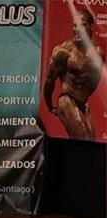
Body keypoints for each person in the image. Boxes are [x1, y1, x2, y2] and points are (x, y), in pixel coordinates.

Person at [43, 8, 104, 141]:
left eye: (82, 25)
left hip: (83, 103)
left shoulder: (98, 54)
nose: (77, 29)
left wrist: (84, 96)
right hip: (67, 100)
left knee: (90, 140)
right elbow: (49, 81)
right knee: (83, 139)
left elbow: (95, 79)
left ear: (91, 26)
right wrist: (51, 106)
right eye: (75, 25)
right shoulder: (63, 52)